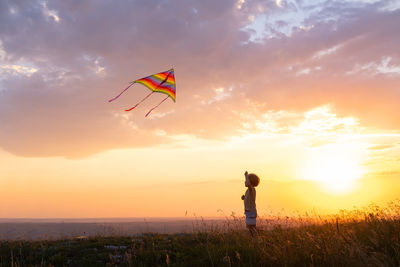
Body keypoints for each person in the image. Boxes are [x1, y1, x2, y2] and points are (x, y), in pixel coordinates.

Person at [241, 171, 260, 237]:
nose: (245, 181)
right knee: (250, 227)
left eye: (246, 180)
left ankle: (256, 238)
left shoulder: (252, 189)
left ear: (250, 182)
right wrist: (244, 197)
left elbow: (248, 184)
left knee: (251, 227)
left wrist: (246, 176)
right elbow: (249, 199)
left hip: (251, 212)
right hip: (249, 212)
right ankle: (254, 238)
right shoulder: (249, 190)